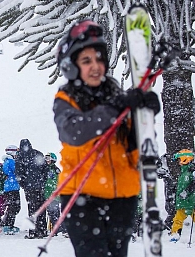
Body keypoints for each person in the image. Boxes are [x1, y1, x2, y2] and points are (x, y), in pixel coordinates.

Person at [53, 19, 160, 256]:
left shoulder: (115, 93)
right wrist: (115, 108)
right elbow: (74, 132)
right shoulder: (66, 99)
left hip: (123, 196)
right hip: (83, 199)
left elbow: (134, 145)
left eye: (99, 58)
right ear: (71, 66)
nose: (95, 66)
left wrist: (144, 113)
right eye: (86, 60)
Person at [16, 139, 48, 239]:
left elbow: (19, 173)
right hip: (40, 186)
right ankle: (42, 230)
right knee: (41, 207)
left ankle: (33, 231)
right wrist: (42, 181)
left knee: (32, 208)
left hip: (29, 188)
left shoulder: (21, 157)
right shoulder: (38, 154)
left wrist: (23, 185)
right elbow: (46, 169)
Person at [169, 149, 195, 242]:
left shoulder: (191, 172)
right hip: (182, 202)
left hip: (191, 202)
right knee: (177, 220)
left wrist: (187, 191)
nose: (179, 162)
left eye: (180, 159)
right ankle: (175, 234)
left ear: (185, 159)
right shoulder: (183, 172)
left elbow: (192, 185)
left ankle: (175, 234)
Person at [44, 152, 67, 237]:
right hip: (47, 194)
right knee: (52, 213)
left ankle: (61, 229)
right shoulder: (46, 169)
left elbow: (55, 182)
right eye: (45, 158)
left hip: (53, 195)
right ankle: (56, 229)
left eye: (48, 158)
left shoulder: (55, 170)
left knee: (54, 213)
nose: (46, 160)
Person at [1, 145, 21, 235]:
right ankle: (9, 225)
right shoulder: (11, 162)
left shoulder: (6, 161)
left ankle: (7, 224)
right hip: (13, 187)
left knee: (11, 206)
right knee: (15, 207)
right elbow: (17, 171)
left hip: (8, 187)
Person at [156, 153, 177, 231]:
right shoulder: (165, 158)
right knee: (170, 202)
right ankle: (171, 221)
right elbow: (158, 172)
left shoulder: (186, 155)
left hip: (179, 183)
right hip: (170, 184)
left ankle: (173, 221)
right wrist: (165, 174)